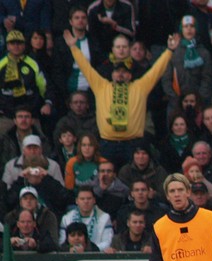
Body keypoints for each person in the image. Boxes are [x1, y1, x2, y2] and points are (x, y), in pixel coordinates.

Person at [63, 28, 179, 168]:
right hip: (107, 144)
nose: (120, 75)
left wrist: (169, 51)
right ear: (112, 74)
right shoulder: (101, 86)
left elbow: (157, 70)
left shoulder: (140, 87)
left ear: (130, 75)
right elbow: (85, 68)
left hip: (133, 144)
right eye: (117, 72)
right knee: (105, 180)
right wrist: (73, 47)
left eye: (124, 72)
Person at [59, 186, 114, 251]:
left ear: (94, 200)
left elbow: (107, 242)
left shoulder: (105, 218)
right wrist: (71, 249)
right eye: (82, 199)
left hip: (96, 255)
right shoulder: (66, 218)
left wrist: (87, 250)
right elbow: (62, 242)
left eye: (89, 198)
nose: (86, 201)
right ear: (77, 201)